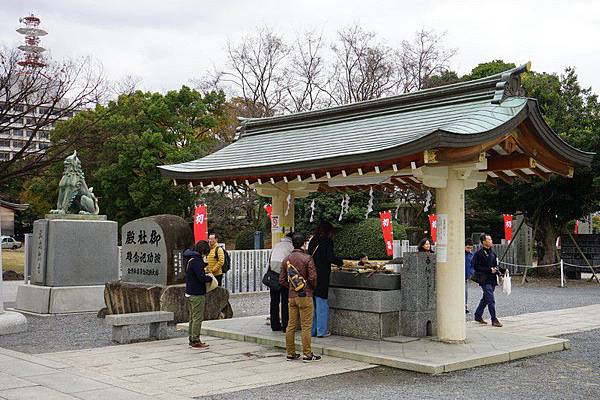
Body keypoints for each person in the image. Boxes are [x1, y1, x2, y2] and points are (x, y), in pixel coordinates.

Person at [279, 232, 320, 362]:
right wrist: (309, 288)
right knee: (306, 325)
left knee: (291, 325)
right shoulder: (307, 258)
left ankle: (290, 353)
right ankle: (307, 354)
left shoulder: (286, 260)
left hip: (291, 296)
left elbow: (282, 280)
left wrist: (292, 287)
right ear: (304, 244)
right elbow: (313, 277)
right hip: (305, 296)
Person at [307, 221, 343, 338]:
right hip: (322, 275)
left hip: (311, 275)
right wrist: (340, 262)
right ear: (328, 231)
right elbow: (330, 257)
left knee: (314, 304)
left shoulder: (313, 240)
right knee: (321, 302)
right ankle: (322, 331)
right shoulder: (327, 241)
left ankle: (313, 331)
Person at [183, 240, 214, 349]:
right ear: (202, 250)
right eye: (206, 252)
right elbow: (200, 277)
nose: (206, 254)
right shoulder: (197, 260)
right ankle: (196, 340)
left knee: (192, 317)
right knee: (197, 317)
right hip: (196, 293)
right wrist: (209, 278)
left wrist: (203, 265)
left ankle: (192, 338)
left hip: (190, 292)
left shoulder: (190, 258)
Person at [472, 233, 505, 327]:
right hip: (484, 279)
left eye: (491, 239)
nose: (491, 241)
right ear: (484, 242)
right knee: (490, 299)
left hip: (492, 279)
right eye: (489, 239)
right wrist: (489, 270)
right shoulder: (479, 254)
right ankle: (494, 319)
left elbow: (496, 266)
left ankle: (478, 315)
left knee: (485, 299)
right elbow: (476, 267)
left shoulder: (493, 253)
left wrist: (502, 271)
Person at [268, 232, 294, 331]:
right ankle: (285, 325)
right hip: (283, 277)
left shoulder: (277, 245)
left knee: (274, 301)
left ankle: (274, 325)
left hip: (273, 276)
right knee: (285, 301)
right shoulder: (291, 247)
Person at [464, 238, 475, 314]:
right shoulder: (460, 254)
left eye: (471, 248)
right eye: (468, 247)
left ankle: (465, 306)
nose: (469, 249)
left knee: (465, 292)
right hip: (459, 276)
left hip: (466, 277)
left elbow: (473, 265)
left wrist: (471, 273)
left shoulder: (471, 255)